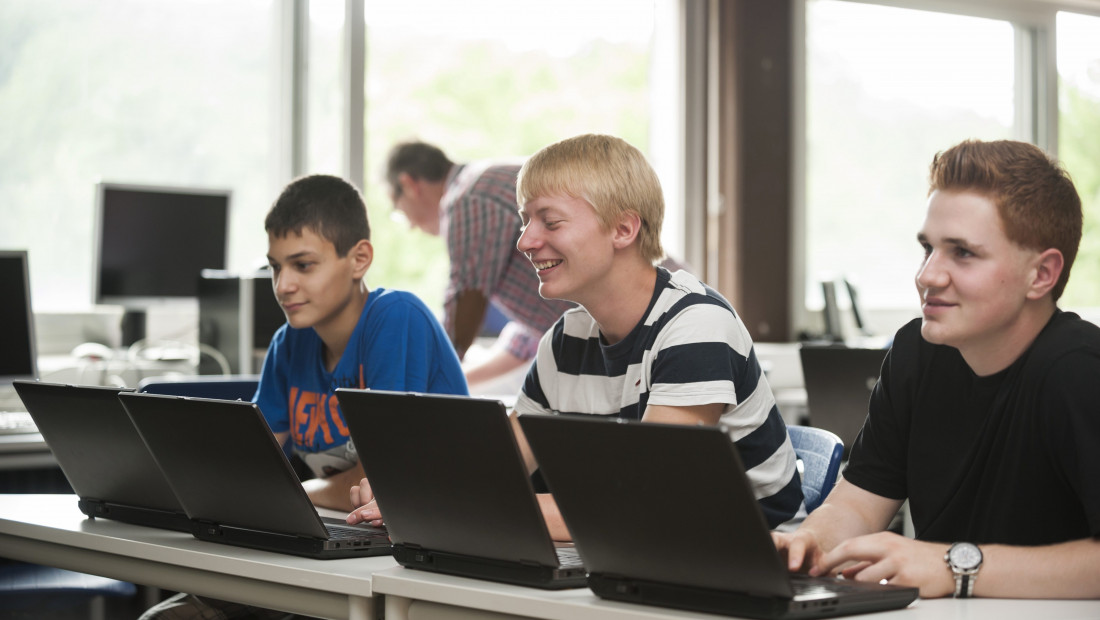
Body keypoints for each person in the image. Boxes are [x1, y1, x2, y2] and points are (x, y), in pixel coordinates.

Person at [351, 133, 804, 537]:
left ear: (624, 229)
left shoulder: (697, 326)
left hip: (749, 557)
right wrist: (410, 489)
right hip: (644, 547)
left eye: (550, 221)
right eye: (525, 221)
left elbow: (642, 502)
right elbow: (501, 471)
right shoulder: (566, 339)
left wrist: (446, 503)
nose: (525, 241)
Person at [773, 139, 1100, 599]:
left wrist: (955, 566)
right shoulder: (916, 351)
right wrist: (806, 543)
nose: (928, 275)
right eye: (928, 248)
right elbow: (860, 502)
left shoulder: (1080, 372)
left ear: (1041, 275)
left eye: (962, 253)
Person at [141, 174, 467, 620]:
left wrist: (293, 496)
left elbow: (382, 483)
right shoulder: (289, 343)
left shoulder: (396, 318)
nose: (283, 285)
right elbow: (253, 464)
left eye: (303, 265)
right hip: (333, 549)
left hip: (417, 558)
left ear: (359, 259)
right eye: (276, 267)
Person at [385, 140, 575, 391]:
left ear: (409, 185)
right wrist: (459, 378)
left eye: (399, 211)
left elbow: (467, 297)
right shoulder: (486, 183)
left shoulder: (467, 197)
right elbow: (534, 332)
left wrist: (425, 382)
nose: (410, 226)